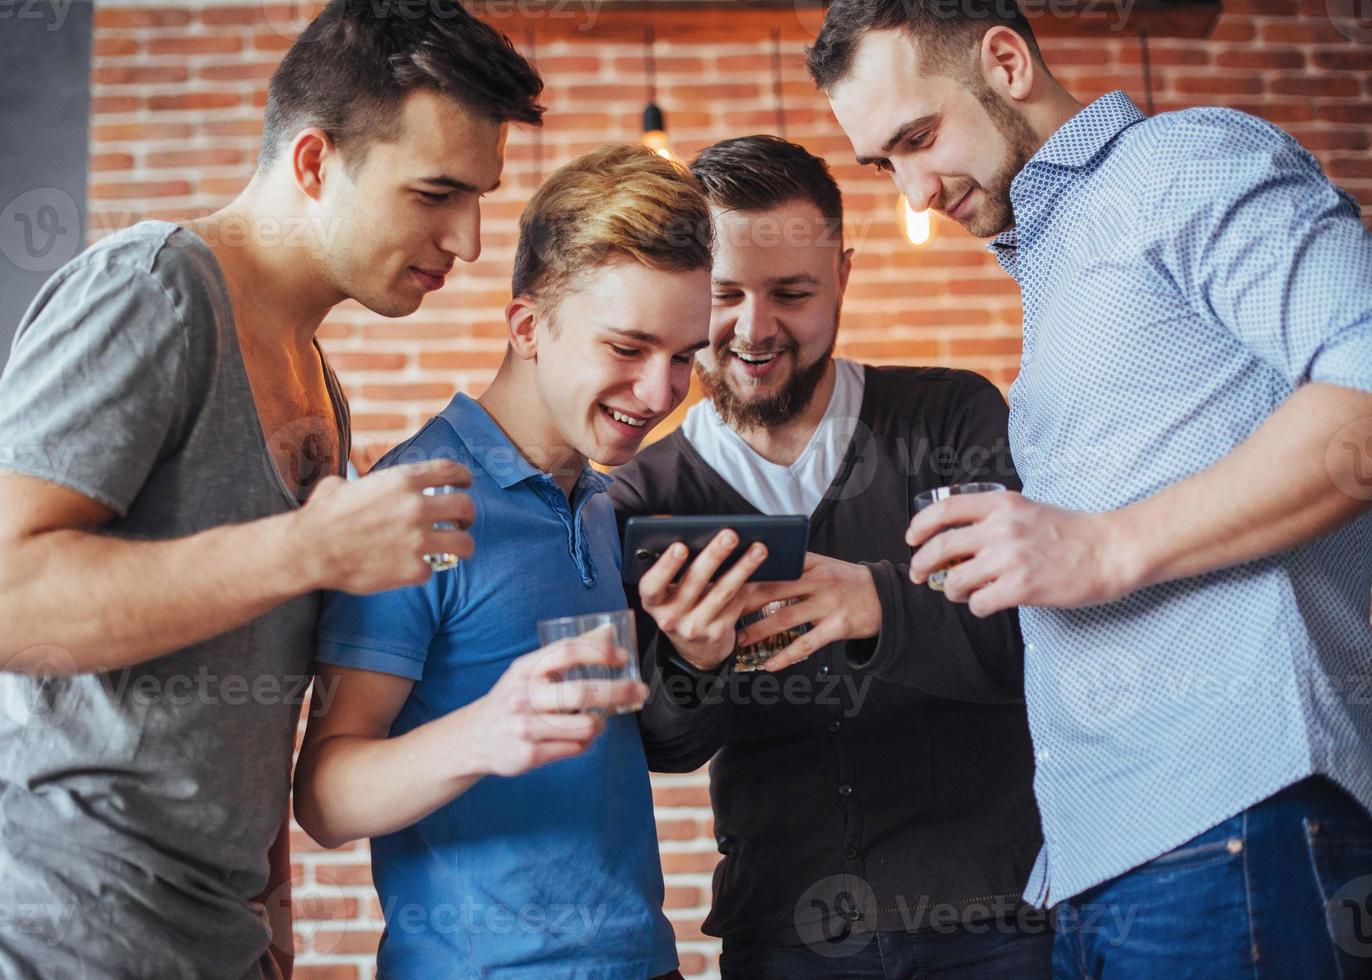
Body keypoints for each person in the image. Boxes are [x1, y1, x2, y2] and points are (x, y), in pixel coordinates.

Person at [0, 2, 543, 977]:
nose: (466, 238)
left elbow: (249, 716)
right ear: (314, 162)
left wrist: (270, 939)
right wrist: (310, 549)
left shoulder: (319, 385)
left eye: (479, 198)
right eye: (436, 193)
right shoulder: (151, 289)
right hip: (28, 937)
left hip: (204, 946)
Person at [808, 1, 1372, 975]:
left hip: (1232, 817)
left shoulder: (1181, 162)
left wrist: (1103, 545)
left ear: (1005, 61)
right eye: (881, 164)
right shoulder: (1056, 260)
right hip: (1098, 862)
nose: (914, 188)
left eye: (918, 137)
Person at [608, 135, 1049, 979]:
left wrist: (879, 602)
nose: (754, 329)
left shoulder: (950, 417)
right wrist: (693, 662)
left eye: (792, 293)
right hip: (784, 934)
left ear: (842, 277)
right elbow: (666, 748)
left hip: (994, 916)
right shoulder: (641, 498)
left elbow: (1036, 642)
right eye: (725, 295)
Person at [293, 143, 714, 979]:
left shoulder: (596, 500)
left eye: (684, 356)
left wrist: (694, 660)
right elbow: (325, 797)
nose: (662, 391)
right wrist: (486, 731)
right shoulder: (416, 500)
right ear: (527, 328)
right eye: (628, 348)